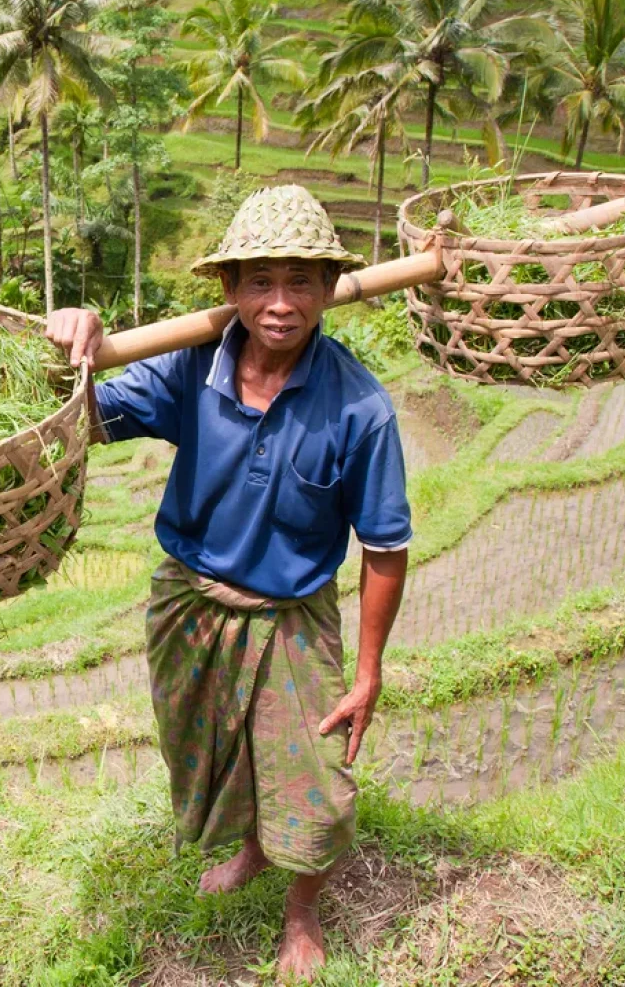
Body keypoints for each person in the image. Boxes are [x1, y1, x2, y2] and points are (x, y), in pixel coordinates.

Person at [45, 185, 410, 981]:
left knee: (315, 772)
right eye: (260, 282)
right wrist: (66, 346)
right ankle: (250, 849)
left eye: (301, 282)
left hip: (291, 610)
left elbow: (384, 549)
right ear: (229, 289)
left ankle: (302, 911)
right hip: (193, 600)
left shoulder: (360, 410)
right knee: (213, 745)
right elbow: (86, 416)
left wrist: (371, 672)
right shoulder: (190, 369)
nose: (280, 305)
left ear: (327, 289)